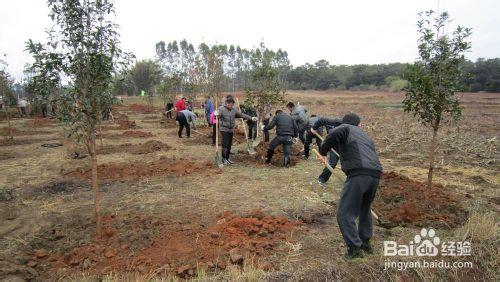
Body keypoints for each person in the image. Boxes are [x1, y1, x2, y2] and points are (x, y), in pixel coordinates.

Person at [318, 113, 382, 259]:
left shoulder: (345, 127)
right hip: (375, 174)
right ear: (359, 124)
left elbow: (335, 133)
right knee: (364, 209)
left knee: (344, 213)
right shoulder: (365, 136)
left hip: (359, 174)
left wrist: (323, 151)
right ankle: (365, 243)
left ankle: (355, 249)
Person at [215, 96, 257, 165]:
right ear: (226, 103)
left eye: (232, 105)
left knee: (229, 144)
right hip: (224, 129)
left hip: (231, 129)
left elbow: (241, 114)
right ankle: (223, 158)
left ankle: (227, 158)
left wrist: (251, 118)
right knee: (225, 144)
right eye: (230, 105)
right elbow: (217, 116)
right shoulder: (221, 109)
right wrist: (215, 114)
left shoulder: (233, 110)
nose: (231, 106)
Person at [311, 116, 343, 185]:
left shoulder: (355, 130)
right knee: (332, 163)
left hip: (346, 147)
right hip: (334, 144)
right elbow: (322, 119)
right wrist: (314, 128)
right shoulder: (337, 122)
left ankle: (352, 182)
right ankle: (322, 179)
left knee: (349, 164)